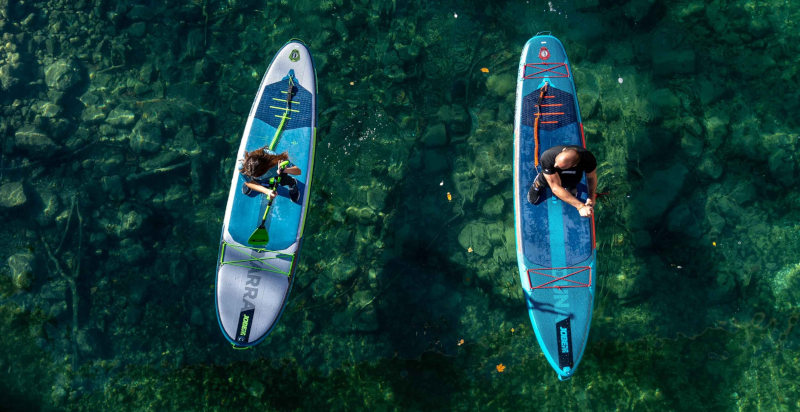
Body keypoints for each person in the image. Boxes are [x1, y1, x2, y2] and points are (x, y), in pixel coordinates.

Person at [527, 145, 597, 218]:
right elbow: (555, 188)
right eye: (556, 161)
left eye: (559, 166)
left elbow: (591, 177)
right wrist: (580, 206)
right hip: (552, 174)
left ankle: (569, 186)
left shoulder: (588, 159)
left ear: (574, 165)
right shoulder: (547, 157)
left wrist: (591, 197)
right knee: (544, 181)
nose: (555, 165)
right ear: (563, 151)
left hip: (573, 173)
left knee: (575, 180)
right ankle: (537, 184)